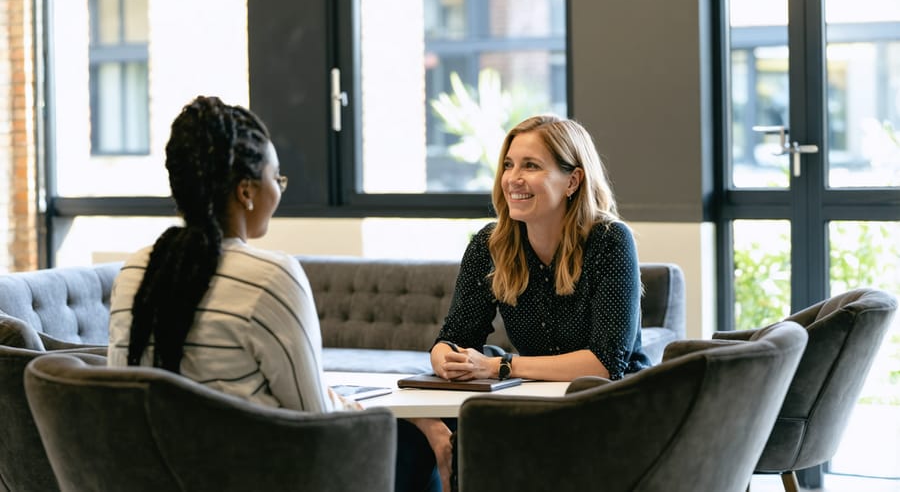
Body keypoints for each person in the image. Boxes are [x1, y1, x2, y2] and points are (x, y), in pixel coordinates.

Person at [107, 95, 445, 492]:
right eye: (277, 178)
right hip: (263, 475)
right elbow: (315, 415)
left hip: (157, 477)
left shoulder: (135, 271)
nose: (279, 190)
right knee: (417, 444)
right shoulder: (271, 276)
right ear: (246, 191)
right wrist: (389, 418)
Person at [422, 114, 652, 490]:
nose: (513, 178)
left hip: (613, 408)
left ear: (572, 181)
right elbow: (456, 335)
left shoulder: (610, 240)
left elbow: (605, 363)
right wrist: (444, 356)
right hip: (537, 404)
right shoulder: (490, 244)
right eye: (509, 165)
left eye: (531, 166)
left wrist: (499, 367)